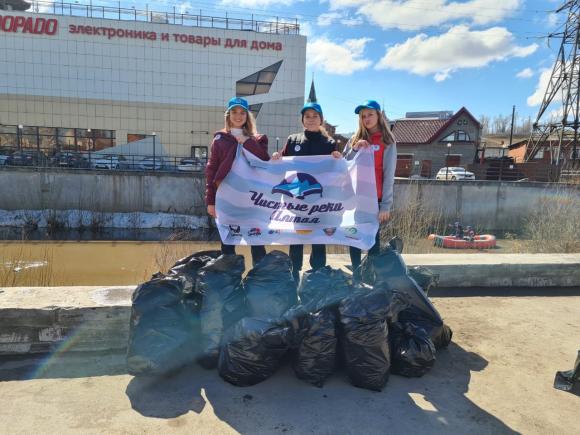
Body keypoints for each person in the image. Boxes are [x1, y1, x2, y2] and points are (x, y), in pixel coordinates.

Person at [272, 102, 341, 283]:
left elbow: (337, 172)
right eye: (307, 116)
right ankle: (294, 276)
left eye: (315, 116)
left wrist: (337, 159)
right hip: (297, 201)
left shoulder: (329, 143)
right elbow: (283, 162)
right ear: (302, 120)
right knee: (296, 241)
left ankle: (317, 278)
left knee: (319, 241)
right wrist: (277, 157)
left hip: (320, 201)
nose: (311, 119)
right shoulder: (293, 139)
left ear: (321, 119)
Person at [205, 97, 269, 266]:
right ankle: (229, 284)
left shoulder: (258, 139)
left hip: (252, 200)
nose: (238, 116)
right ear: (228, 115)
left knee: (257, 244)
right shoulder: (219, 139)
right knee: (228, 243)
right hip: (227, 199)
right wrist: (211, 201)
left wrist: (247, 142)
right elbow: (211, 170)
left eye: (242, 113)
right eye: (234, 112)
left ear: (247, 116)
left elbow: (264, 160)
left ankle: (259, 284)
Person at [343, 100, 397, 278]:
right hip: (356, 198)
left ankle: (372, 279)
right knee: (354, 237)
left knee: (373, 241)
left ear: (378, 116)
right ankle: (357, 278)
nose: (367, 119)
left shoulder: (387, 141)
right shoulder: (354, 139)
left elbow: (389, 174)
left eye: (370, 115)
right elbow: (344, 163)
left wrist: (386, 205)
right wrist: (355, 148)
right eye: (363, 116)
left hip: (376, 199)